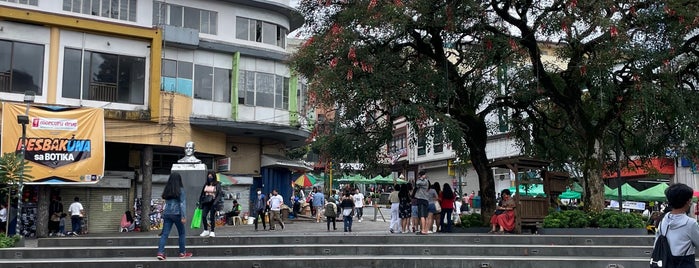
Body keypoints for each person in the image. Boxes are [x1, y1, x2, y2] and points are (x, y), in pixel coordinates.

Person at [654, 183, 699, 267]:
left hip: (665, 261)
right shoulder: (690, 223)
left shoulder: (663, 220)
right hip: (684, 263)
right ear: (688, 201)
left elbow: (657, 242)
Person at [156, 172, 192, 260]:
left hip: (167, 214)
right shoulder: (180, 190)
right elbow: (182, 204)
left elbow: (165, 202)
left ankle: (160, 252)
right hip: (177, 214)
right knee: (182, 233)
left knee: (164, 234)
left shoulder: (167, 190)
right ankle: (182, 253)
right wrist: (183, 216)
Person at [199, 171, 222, 237]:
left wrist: (215, 203)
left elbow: (219, 194)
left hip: (213, 202)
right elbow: (202, 194)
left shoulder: (217, 184)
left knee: (212, 217)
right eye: (209, 176)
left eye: (211, 176)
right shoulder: (206, 184)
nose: (210, 178)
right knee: (203, 216)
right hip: (206, 202)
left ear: (214, 177)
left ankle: (212, 231)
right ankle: (206, 230)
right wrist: (200, 202)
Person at [414, 170, 430, 235]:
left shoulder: (424, 181)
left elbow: (417, 183)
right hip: (424, 199)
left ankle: (423, 230)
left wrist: (420, 178)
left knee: (422, 216)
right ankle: (424, 230)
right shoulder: (425, 181)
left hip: (422, 199)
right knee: (424, 216)